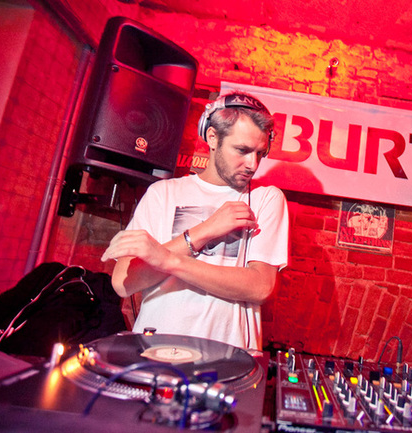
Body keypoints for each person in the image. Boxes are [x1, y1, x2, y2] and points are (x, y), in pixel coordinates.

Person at [100, 91, 289, 350]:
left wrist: (168, 260)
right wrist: (203, 232)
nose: (252, 164)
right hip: (155, 353)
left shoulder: (266, 199)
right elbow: (124, 281)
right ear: (212, 137)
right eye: (242, 150)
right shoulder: (162, 193)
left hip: (229, 359)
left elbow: (261, 287)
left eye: (260, 153)